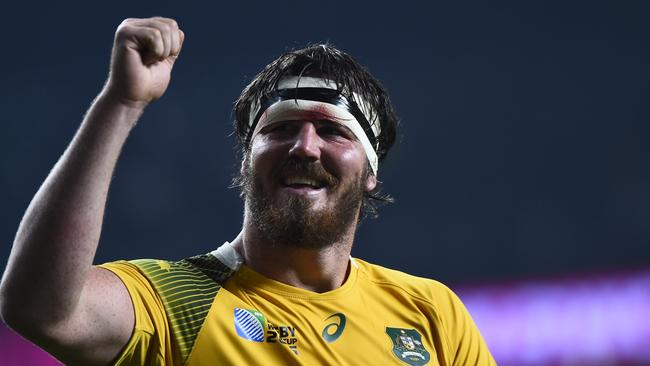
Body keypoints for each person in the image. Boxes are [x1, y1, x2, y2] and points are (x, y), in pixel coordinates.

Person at [0, 17, 496, 366]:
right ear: (246, 159)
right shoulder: (175, 302)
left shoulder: (431, 312)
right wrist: (122, 102)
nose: (304, 146)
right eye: (280, 129)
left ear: (370, 172)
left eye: (333, 131)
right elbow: (39, 308)